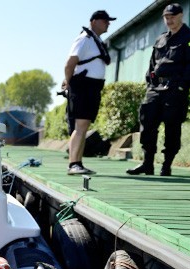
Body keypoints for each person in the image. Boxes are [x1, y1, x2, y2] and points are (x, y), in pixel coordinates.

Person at [127, 3, 190, 177]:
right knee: (147, 124)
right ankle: (147, 164)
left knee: (172, 127)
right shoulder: (161, 38)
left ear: (181, 16)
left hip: (175, 88)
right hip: (155, 88)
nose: (169, 21)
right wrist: (149, 82)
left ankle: (166, 165)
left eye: (172, 17)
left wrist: (182, 85)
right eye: (166, 18)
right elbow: (152, 63)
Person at [62, 10, 116, 176]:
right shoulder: (84, 39)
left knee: (84, 126)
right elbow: (70, 64)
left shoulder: (95, 40)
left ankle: (78, 162)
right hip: (82, 86)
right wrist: (68, 82)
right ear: (94, 21)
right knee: (80, 126)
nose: (108, 23)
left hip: (92, 87)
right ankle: (73, 163)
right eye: (105, 20)